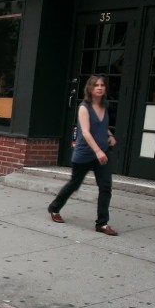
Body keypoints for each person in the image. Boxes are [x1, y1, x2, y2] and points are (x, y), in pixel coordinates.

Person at [48, 75, 118, 236]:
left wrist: (110, 134)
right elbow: (86, 132)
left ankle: (102, 223)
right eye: (96, 85)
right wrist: (98, 151)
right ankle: (54, 208)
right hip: (85, 153)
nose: (100, 88)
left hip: (103, 153)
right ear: (90, 88)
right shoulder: (84, 107)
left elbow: (101, 125)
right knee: (74, 184)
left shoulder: (104, 106)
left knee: (106, 187)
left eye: (102, 85)